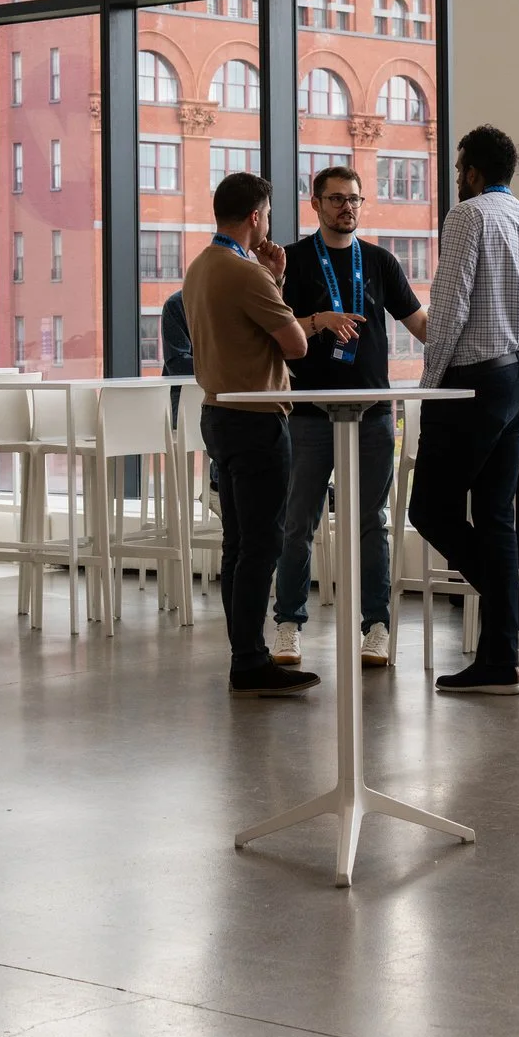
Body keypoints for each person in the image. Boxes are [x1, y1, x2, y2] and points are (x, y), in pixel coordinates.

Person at [407, 126, 519, 694]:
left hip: (474, 384)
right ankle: (503, 654)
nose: (458, 181)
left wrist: (430, 388)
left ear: (474, 173)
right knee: (495, 515)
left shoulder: (468, 217)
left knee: (430, 509)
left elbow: (451, 309)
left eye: (461, 171)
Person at [270, 165, 427, 671]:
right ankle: (288, 624)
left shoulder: (380, 262)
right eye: (337, 199)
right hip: (310, 413)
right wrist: (319, 322)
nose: (348, 208)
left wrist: (465, 348)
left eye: (355, 199)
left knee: (371, 524)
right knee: (298, 523)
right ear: (314, 204)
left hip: (374, 413)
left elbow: (418, 322)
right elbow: (272, 332)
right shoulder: (291, 262)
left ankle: (376, 628)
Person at [183, 172, 317, 697]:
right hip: (258, 418)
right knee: (262, 544)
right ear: (257, 217)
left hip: (219, 412)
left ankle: (245, 655)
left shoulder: (200, 268)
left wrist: (274, 280)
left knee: (238, 543)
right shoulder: (244, 273)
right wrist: (275, 283)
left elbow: (244, 334)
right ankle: (250, 661)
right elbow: (295, 345)